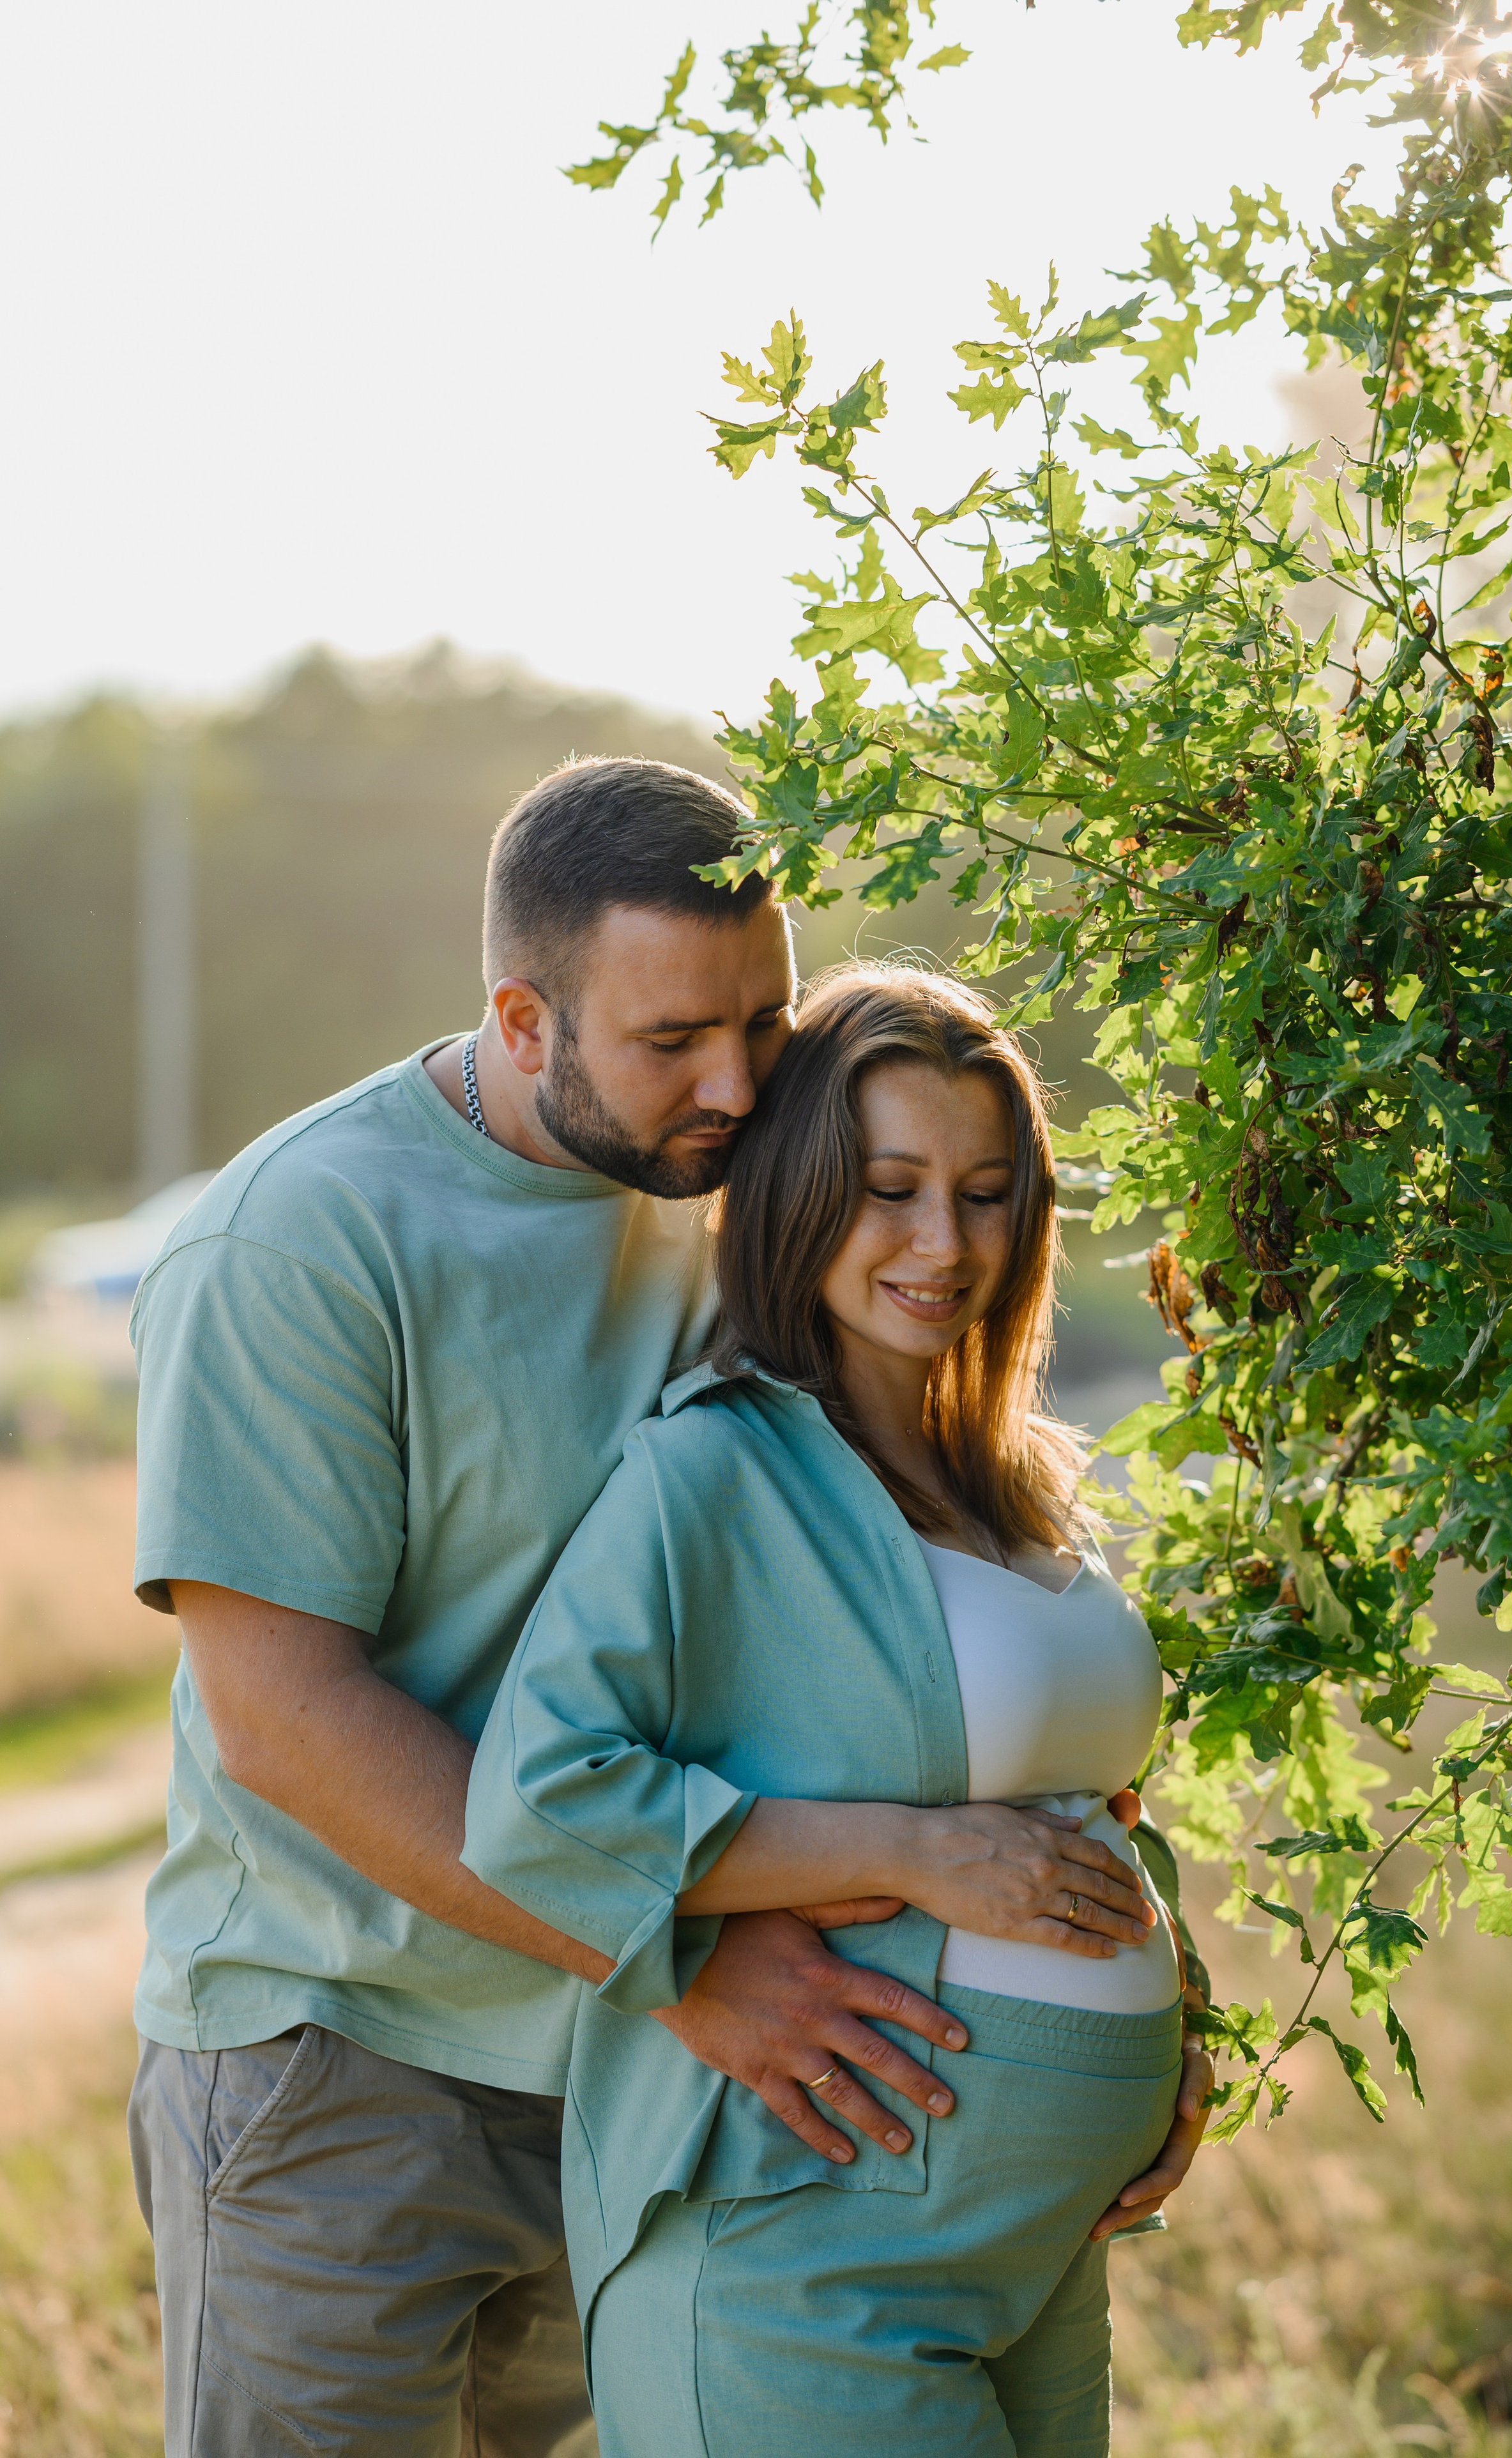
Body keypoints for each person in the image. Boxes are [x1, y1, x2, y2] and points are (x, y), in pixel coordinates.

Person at [123, 759, 1172, 2458]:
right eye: (673, 1040)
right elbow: (283, 1721)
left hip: (634, 2084)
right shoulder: (305, 1243)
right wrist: (674, 1953)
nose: (739, 1081)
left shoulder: (738, 1203)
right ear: (523, 1021)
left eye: (761, 1022)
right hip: (349, 2058)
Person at [464, 962, 1215, 2458]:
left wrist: (1170, 2009)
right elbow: (536, 1800)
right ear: (803, 1190)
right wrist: (912, 1853)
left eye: (989, 1192)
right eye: (890, 1187)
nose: (946, 1242)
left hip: (1036, 2253)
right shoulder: (713, 1473)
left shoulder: (1016, 1488)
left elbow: (1078, 1805)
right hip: (802, 2260)